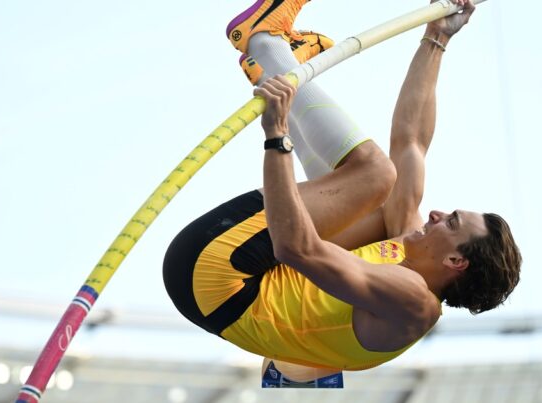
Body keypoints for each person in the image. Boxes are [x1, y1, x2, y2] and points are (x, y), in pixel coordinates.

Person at [163, 0, 521, 387]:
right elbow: (411, 142)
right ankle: (274, 66)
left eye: (451, 222)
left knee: (375, 174)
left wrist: (277, 138)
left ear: (455, 261)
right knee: (382, 197)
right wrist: (438, 36)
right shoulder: (406, 243)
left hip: (215, 277)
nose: (437, 214)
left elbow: (297, 249)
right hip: (247, 287)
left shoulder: (413, 304)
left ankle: (264, 41)